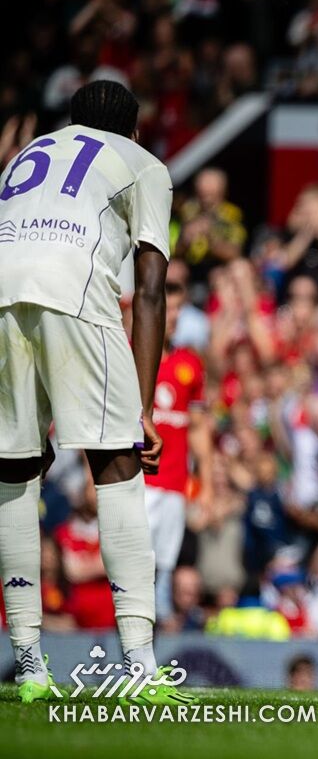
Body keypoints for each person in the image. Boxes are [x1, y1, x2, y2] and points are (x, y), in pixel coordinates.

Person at [0, 80, 192, 704]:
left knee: (15, 474)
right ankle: (140, 667)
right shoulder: (144, 164)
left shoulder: (29, 153)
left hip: (2, 296)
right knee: (117, 463)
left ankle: (29, 667)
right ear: (133, 130)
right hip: (75, 292)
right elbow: (152, 287)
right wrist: (142, 406)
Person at [146, 259, 214, 620]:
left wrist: (206, 485)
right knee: (134, 566)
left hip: (174, 483)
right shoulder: (133, 354)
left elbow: (200, 427)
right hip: (138, 479)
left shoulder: (190, 364)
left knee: (163, 567)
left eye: (177, 311)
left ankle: (150, 656)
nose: (172, 317)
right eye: (167, 309)